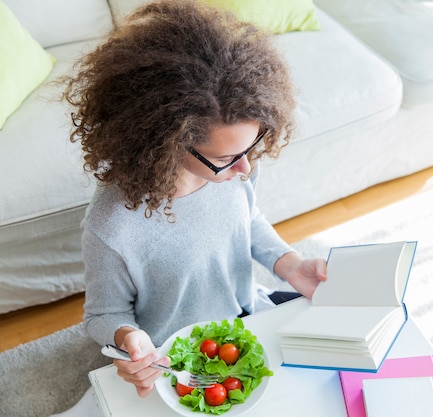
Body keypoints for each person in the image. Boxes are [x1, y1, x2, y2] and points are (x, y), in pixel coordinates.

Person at [62, 0, 327, 400]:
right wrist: (129, 337)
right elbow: (103, 314)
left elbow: (247, 219)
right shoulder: (112, 225)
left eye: (251, 149)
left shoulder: (235, 166)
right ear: (165, 144)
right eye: (226, 160)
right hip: (171, 356)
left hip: (246, 320)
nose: (246, 170)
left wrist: (289, 264)